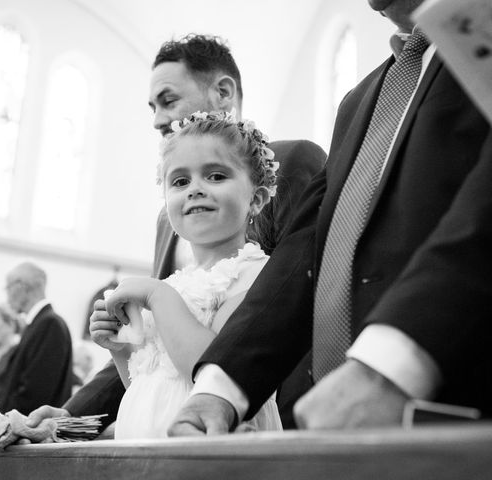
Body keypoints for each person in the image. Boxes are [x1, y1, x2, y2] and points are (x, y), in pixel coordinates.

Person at [167, 0, 492, 436]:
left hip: (457, 402)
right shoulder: (359, 101)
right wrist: (220, 389)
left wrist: (390, 366)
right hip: (333, 417)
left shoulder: (477, 36)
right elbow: (307, 248)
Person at [38, 34, 326, 432]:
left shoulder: (292, 163)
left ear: (223, 92)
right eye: (153, 107)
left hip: (248, 413)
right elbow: (155, 360)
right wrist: (72, 417)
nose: (157, 118)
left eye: (168, 100)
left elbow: (292, 294)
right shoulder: (167, 220)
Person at [91, 111, 282, 439]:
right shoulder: (175, 283)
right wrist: (120, 349)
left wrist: (156, 295)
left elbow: (216, 371)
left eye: (216, 176)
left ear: (257, 199)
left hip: (207, 449)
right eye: (180, 181)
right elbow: (150, 389)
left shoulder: (256, 274)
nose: (195, 189)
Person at [0, 262, 75, 415]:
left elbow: (36, 389)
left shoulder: (49, 324)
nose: (6, 296)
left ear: (21, 287)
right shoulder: (39, 322)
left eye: (7, 288)